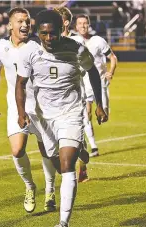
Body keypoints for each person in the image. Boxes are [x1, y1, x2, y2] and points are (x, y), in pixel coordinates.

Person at [15, 9, 108, 227]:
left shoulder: (76, 49)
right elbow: (20, 83)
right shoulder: (29, 52)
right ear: (38, 33)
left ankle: (63, 223)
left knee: (67, 166)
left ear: (61, 31)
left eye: (52, 34)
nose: (48, 38)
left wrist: (98, 104)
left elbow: (93, 73)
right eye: (43, 34)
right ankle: (80, 149)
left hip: (70, 113)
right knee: (56, 162)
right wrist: (20, 114)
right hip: (44, 118)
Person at [0, 7, 59, 213]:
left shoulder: (37, 47)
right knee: (17, 150)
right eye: (20, 21)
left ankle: (50, 190)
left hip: (40, 108)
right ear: (10, 25)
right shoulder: (0, 47)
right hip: (16, 106)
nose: (25, 25)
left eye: (27, 21)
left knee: (46, 149)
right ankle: (29, 186)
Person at [73, 14, 118, 158]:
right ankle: (93, 147)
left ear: (89, 24)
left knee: (103, 117)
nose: (82, 26)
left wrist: (110, 72)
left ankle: (102, 110)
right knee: (86, 115)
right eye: (80, 23)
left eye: (85, 23)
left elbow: (113, 58)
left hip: (99, 83)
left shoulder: (98, 41)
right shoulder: (73, 42)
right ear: (76, 26)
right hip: (83, 84)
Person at [54, 6, 91, 183]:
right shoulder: (49, 40)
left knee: (79, 146)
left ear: (66, 22)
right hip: (53, 98)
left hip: (75, 96)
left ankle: (82, 163)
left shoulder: (77, 42)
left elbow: (85, 68)